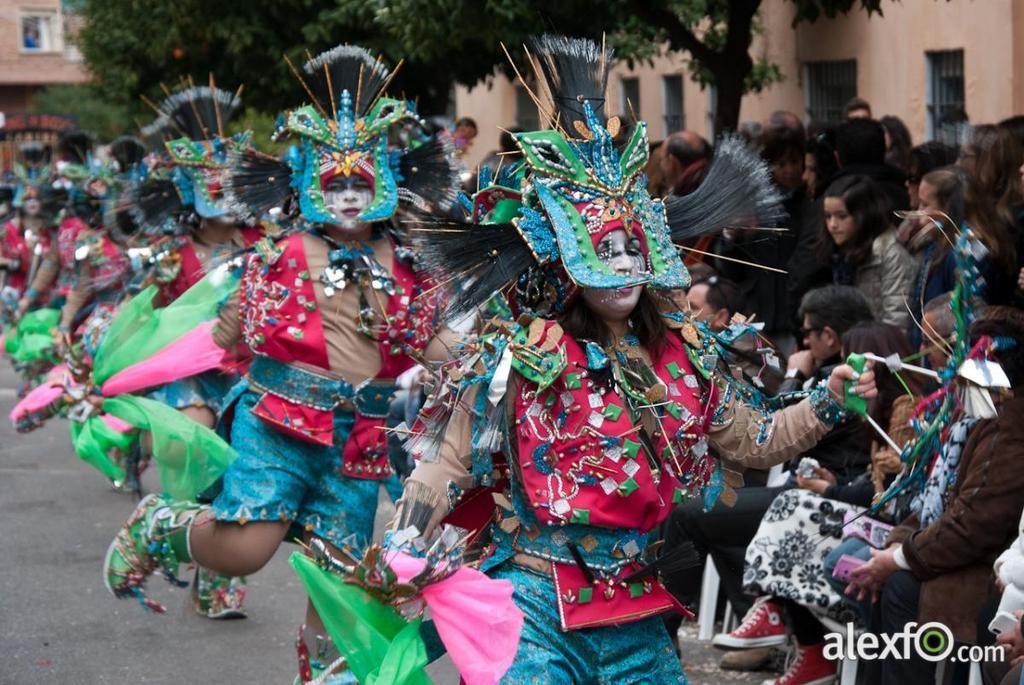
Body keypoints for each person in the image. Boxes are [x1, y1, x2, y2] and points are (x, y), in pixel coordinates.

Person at [377, 36, 877, 684]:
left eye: (630, 246)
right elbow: (449, 460)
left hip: (638, 612)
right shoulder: (519, 354)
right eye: (601, 248)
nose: (619, 265)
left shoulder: (687, 353)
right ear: (563, 254)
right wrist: (408, 535)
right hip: (533, 603)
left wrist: (830, 397)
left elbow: (755, 438)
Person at [102, 44, 460, 685]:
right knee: (245, 549)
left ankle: (324, 679)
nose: (350, 197)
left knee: (339, 580)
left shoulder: (412, 262)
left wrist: (490, 356)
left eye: (361, 181)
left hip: (360, 441)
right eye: (334, 183)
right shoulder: (281, 251)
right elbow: (227, 329)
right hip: (277, 424)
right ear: (305, 183)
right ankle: (160, 523)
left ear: (387, 176)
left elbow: (430, 344)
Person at [663, 284, 875, 661]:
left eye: (806, 333)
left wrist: (797, 377)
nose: (803, 341)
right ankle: (760, 626)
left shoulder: (850, 378)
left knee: (694, 515)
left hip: (815, 498)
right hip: (792, 494)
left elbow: (765, 428)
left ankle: (662, 639)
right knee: (712, 520)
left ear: (827, 334)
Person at [721, 321, 917, 685]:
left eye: (855, 365)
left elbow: (892, 492)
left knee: (793, 506)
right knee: (792, 508)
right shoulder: (875, 409)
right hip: (864, 510)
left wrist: (829, 491)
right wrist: (834, 484)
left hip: (888, 526)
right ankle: (777, 612)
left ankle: (775, 610)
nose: (846, 372)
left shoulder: (902, 410)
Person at [845, 306, 1024, 685]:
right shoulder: (974, 413)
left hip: (982, 568)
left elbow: (976, 524)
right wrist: (893, 551)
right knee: (873, 575)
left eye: (966, 352)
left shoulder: (1009, 425)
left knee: (898, 588)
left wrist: (899, 559)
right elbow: (931, 498)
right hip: (951, 553)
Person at [720, 114, 808, 357]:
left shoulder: (808, 205)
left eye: (794, 162)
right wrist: (732, 236)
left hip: (795, 321)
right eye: (781, 164)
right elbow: (730, 269)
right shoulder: (750, 207)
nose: (789, 170)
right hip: (757, 318)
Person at [819, 175, 915, 330]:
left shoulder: (891, 255)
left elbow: (897, 323)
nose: (832, 225)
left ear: (864, 214)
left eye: (842, 216)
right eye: (828, 216)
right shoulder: (839, 254)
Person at [901, 167, 965, 347]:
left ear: (946, 209)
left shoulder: (955, 254)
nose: (918, 210)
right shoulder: (933, 247)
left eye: (925, 204)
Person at [963, 124, 1024, 306]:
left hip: (1001, 326)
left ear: (987, 162)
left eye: (966, 156)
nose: (959, 164)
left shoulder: (1014, 220)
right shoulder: (974, 210)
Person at [660, 130, 713, 197]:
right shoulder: (716, 177)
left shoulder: (688, 195)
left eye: (662, 159)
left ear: (672, 161)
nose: (661, 165)